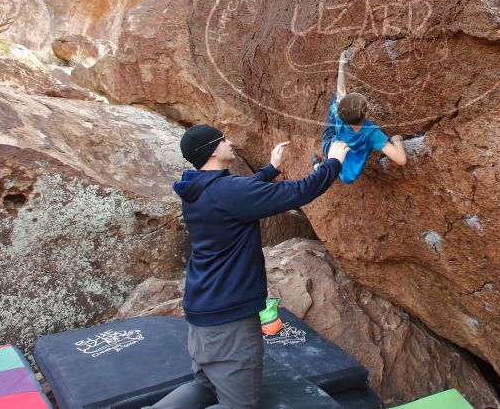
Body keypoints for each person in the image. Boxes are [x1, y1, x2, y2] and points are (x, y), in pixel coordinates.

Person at [147, 124, 350, 409]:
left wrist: (270, 169)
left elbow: (237, 196)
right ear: (212, 150)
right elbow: (299, 192)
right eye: (223, 139)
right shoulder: (230, 191)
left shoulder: (194, 187)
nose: (230, 142)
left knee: (205, 386)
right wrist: (334, 163)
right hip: (229, 321)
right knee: (239, 406)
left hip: (201, 314)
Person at [313, 45, 407, 183]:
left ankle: (317, 167)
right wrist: (397, 140)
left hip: (331, 147)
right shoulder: (372, 133)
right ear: (366, 113)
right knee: (338, 99)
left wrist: (341, 64)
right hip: (349, 173)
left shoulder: (341, 118)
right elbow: (402, 160)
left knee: (336, 98)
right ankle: (318, 166)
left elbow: (341, 90)